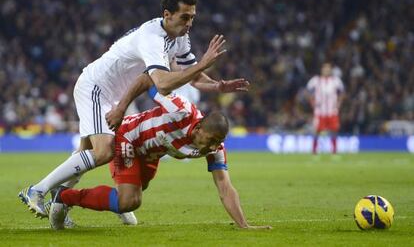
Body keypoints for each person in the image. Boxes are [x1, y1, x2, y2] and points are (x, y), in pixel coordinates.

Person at [19, 0, 249, 222]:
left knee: (85, 154)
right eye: (184, 17)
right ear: (167, 15)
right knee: (103, 151)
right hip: (98, 86)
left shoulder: (179, 38)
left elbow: (193, 76)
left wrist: (217, 86)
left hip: (116, 94)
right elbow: (160, 83)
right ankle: (36, 190)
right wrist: (204, 63)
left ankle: (61, 198)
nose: (189, 23)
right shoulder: (152, 37)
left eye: (192, 17)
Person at [49, 83, 271, 230]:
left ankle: (117, 202)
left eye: (217, 142)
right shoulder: (181, 110)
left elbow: (225, 187)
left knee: (133, 194)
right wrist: (121, 107)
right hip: (129, 137)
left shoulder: (215, 149)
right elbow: (152, 85)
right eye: (211, 139)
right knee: (130, 200)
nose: (212, 146)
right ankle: (65, 197)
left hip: (151, 154)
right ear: (199, 127)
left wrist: (244, 225)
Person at [306, 63, 345, 154]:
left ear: (331, 70)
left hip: (332, 111)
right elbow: (307, 91)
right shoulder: (316, 80)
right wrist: (312, 102)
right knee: (317, 131)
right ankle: (314, 151)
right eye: (325, 68)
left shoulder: (336, 80)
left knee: (334, 130)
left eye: (328, 69)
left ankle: (334, 151)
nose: (326, 70)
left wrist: (339, 103)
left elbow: (342, 92)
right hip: (320, 111)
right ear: (321, 70)